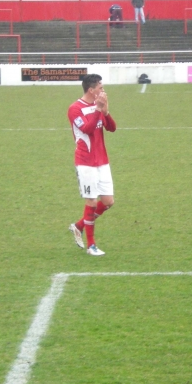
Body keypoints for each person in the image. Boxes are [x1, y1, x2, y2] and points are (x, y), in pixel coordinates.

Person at [68, 74, 117, 256]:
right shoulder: (75, 109)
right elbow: (87, 129)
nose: (103, 91)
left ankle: (79, 225)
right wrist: (98, 109)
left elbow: (112, 128)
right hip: (85, 162)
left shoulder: (98, 106)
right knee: (92, 201)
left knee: (108, 201)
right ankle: (91, 246)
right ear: (91, 90)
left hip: (102, 160)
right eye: (100, 88)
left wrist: (106, 112)